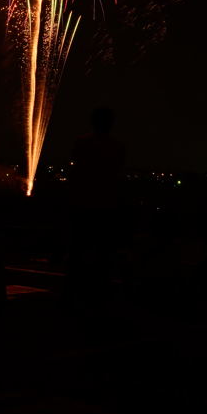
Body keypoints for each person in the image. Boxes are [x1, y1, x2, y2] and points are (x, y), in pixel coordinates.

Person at [67, 107, 125, 301]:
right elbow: (118, 177)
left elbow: (75, 174)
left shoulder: (81, 144)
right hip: (106, 206)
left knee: (79, 250)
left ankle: (75, 291)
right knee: (103, 252)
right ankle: (99, 290)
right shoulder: (117, 147)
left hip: (83, 204)